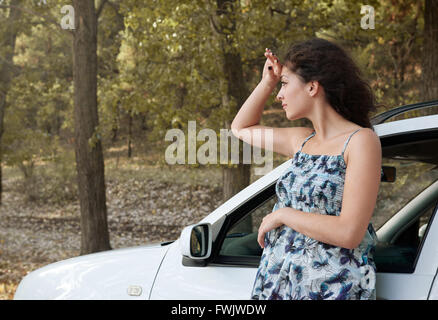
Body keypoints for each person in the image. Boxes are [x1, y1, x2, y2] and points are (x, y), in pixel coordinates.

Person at [230, 38, 382, 300]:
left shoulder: (360, 141)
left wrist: (284, 215)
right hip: (279, 283)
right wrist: (267, 82)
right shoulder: (302, 140)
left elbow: (349, 233)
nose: (279, 94)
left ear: (312, 87)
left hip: (331, 288)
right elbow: (241, 129)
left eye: (285, 84)